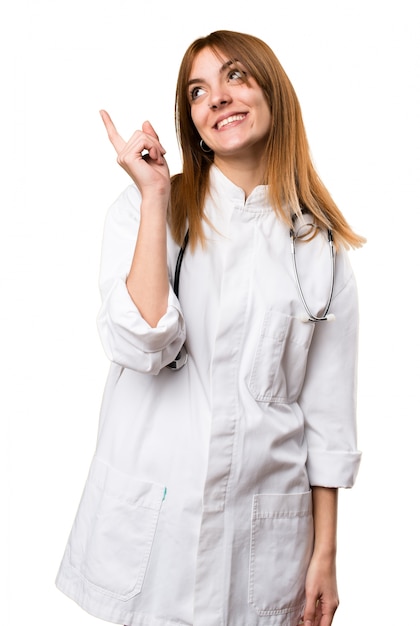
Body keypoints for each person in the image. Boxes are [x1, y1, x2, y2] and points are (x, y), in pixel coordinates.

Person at [56, 30, 364, 626]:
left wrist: (325, 554)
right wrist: (152, 198)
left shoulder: (319, 245)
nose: (216, 98)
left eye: (236, 77)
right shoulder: (147, 211)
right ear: (192, 119)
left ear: (274, 93)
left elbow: (326, 418)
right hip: (154, 528)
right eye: (198, 91)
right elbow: (144, 343)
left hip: (263, 533)